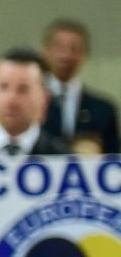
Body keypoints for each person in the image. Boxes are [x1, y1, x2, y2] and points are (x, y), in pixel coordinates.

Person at [41, 18, 118, 155]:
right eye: (59, 47)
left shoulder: (103, 110)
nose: (66, 55)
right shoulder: (29, 106)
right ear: (45, 51)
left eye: (75, 48)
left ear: (85, 54)